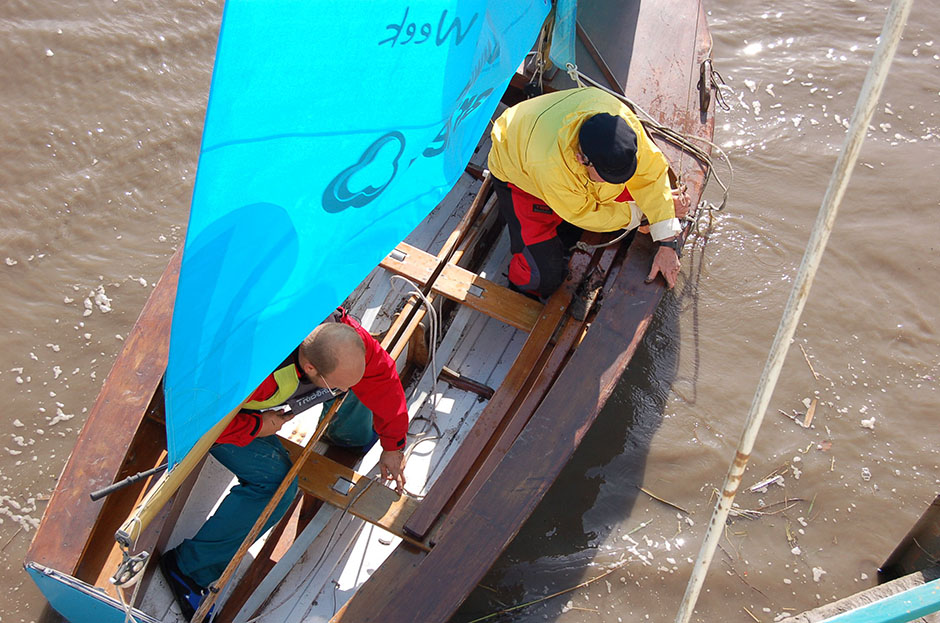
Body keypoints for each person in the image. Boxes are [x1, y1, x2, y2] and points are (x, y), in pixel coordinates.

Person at [160, 307, 408, 618]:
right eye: (334, 386)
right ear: (309, 365)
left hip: (273, 393)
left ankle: (348, 436)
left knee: (359, 387)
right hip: (219, 418)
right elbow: (191, 412)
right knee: (277, 484)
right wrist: (254, 427)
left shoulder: (342, 337)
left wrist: (394, 443)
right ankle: (188, 569)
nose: (340, 390)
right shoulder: (255, 370)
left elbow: (381, 378)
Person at [487, 86, 692, 299]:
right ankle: (521, 286)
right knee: (542, 278)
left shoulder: (622, 124)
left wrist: (667, 240)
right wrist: (644, 215)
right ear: (580, 158)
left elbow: (650, 175)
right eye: (608, 176)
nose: (617, 182)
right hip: (519, 175)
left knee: (649, 202)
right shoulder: (549, 165)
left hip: (561, 167)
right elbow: (584, 213)